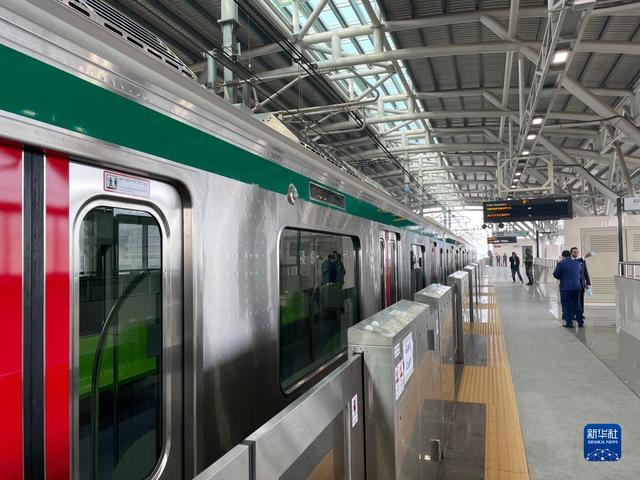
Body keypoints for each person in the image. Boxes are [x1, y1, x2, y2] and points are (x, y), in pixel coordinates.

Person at [553, 250, 584, 327]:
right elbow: (580, 274)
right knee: (577, 304)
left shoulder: (561, 263)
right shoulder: (577, 263)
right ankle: (580, 322)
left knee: (566, 305)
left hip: (565, 288)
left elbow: (556, 274)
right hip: (577, 287)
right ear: (570, 255)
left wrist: (562, 276)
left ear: (563, 256)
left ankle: (569, 323)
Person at [570, 247, 591, 323]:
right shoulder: (570, 261)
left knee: (581, 299)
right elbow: (575, 262)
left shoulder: (582, 261)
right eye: (574, 252)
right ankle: (572, 314)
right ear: (571, 253)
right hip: (573, 284)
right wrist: (584, 257)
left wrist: (588, 283)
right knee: (573, 300)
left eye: (577, 252)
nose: (576, 253)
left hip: (581, 284)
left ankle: (580, 314)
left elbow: (585, 272)